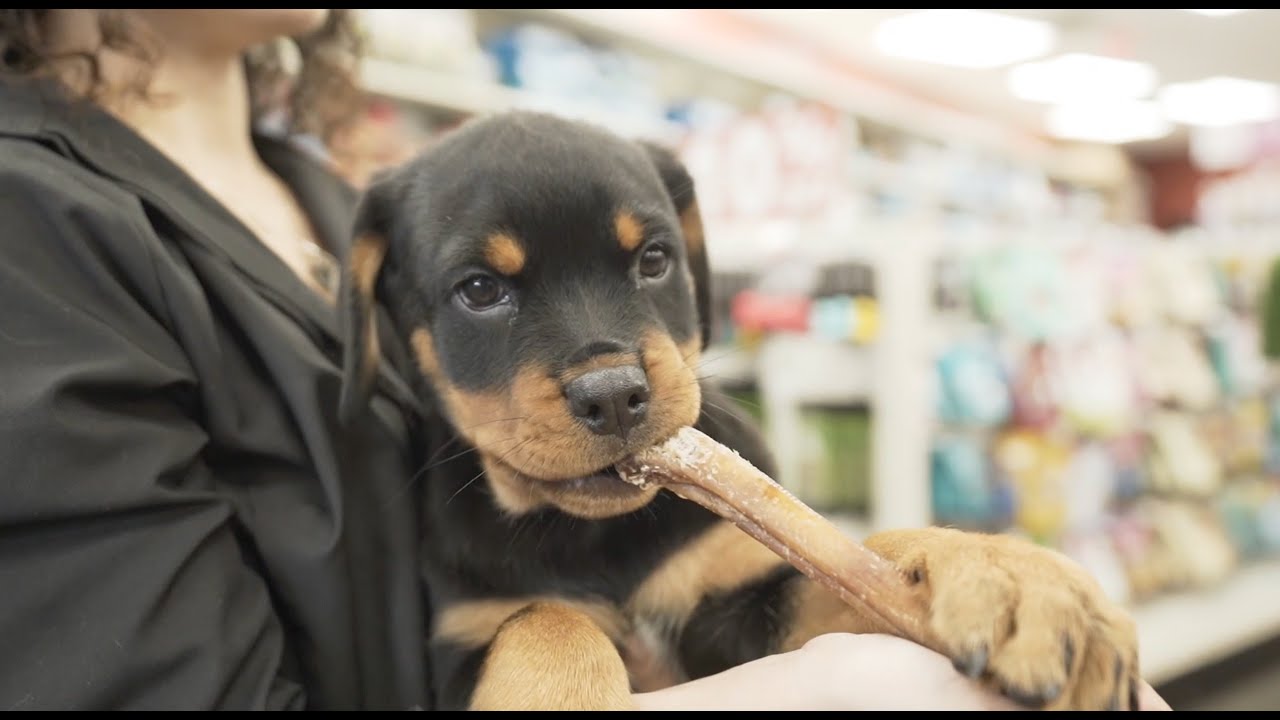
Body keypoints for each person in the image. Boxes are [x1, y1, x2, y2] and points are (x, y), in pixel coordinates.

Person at [0, 9, 1170, 711]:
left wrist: (930, 574)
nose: (605, 370)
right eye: (478, 287)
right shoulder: (31, 218)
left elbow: (793, 594)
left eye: (650, 265)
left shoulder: (327, 194)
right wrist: (838, 691)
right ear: (390, 316)